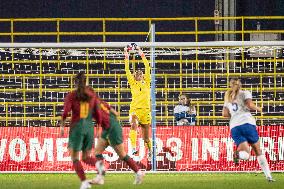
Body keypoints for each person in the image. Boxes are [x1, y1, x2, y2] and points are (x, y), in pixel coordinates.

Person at [222, 78, 275, 182]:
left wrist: (234, 114)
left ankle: (238, 154)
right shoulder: (245, 92)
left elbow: (224, 114)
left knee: (246, 155)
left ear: (230, 85)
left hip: (234, 127)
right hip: (247, 123)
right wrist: (259, 109)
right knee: (257, 151)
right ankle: (269, 176)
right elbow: (249, 105)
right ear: (240, 84)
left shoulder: (228, 97)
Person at [60, 72, 103, 189]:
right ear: (86, 82)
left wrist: (62, 125)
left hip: (77, 127)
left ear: (75, 83)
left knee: (74, 157)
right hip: (89, 127)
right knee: (86, 157)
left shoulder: (72, 95)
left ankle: (84, 182)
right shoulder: (92, 95)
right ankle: (99, 164)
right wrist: (98, 128)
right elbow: (98, 113)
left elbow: (65, 112)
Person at [91, 98, 145, 185]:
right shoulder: (101, 102)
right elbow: (115, 113)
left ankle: (139, 172)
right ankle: (100, 177)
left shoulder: (89, 105)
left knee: (122, 155)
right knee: (97, 152)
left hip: (111, 128)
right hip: (108, 127)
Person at [124, 44, 152, 156]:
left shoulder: (147, 82)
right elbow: (127, 69)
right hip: (135, 109)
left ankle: (150, 150)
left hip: (146, 111)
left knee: (146, 137)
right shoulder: (133, 83)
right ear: (135, 76)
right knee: (134, 124)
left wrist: (140, 51)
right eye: (137, 73)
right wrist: (126, 55)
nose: (139, 73)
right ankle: (134, 147)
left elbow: (147, 66)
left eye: (141, 73)